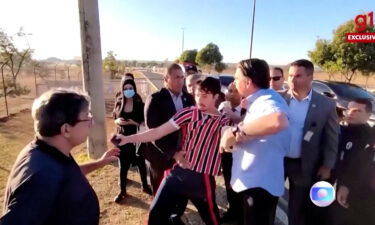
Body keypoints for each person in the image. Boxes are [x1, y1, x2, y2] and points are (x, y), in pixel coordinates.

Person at [115, 77, 231, 225]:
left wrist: (231, 133)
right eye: (197, 94)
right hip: (178, 174)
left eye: (205, 95)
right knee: (155, 216)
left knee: (212, 220)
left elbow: (229, 135)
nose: (199, 99)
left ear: (216, 96)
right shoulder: (189, 113)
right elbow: (158, 132)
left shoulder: (223, 120)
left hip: (202, 181)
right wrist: (127, 138)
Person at [0, 89, 119, 225]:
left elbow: (66, 175)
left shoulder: (49, 152)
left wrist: (99, 162)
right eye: (87, 117)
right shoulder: (40, 179)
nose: (91, 122)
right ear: (66, 129)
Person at [220, 58, 291, 225]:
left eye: (237, 79)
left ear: (248, 81)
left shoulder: (267, 101)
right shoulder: (258, 101)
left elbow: (278, 120)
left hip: (259, 186)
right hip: (255, 182)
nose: (235, 82)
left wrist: (235, 131)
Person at [283, 59, 339, 225]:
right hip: (277, 161)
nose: (292, 80)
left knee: (297, 206)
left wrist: (327, 165)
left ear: (310, 77)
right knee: (268, 200)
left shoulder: (326, 104)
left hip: (304, 164)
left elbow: (332, 137)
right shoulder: (279, 99)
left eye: (298, 76)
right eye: (290, 75)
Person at [142, 63, 195, 195]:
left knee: (179, 188)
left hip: (182, 153)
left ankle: (176, 214)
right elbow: (153, 132)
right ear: (166, 79)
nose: (180, 81)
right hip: (160, 155)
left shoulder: (188, 99)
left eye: (182, 77)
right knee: (161, 190)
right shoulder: (155, 99)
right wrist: (173, 153)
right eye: (177, 77)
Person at [334, 98, 375, 225]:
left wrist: (346, 185)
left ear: (368, 115)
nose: (351, 113)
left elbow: (363, 165)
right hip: (337, 186)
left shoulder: (368, 137)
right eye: (349, 109)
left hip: (357, 192)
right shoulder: (343, 131)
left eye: (357, 110)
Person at [113, 79, 152, 203]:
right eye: (125, 88)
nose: (128, 91)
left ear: (134, 89)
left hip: (137, 139)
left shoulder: (140, 104)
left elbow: (143, 122)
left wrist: (132, 122)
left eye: (130, 88)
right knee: (123, 166)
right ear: (122, 90)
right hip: (122, 139)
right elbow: (114, 117)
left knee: (141, 163)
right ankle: (122, 191)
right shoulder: (119, 103)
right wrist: (117, 121)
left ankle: (145, 186)